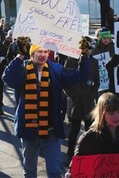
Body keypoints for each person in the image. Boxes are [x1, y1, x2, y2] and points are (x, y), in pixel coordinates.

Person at [2, 36, 92, 178]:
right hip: (28, 130)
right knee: (30, 170)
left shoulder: (55, 69)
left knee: (54, 171)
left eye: (45, 51)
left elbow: (81, 76)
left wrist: (85, 56)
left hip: (51, 130)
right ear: (32, 54)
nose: (43, 55)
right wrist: (20, 55)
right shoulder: (23, 69)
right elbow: (7, 77)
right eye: (39, 51)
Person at [64, 92, 119, 178]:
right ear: (102, 114)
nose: (116, 117)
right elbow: (77, 167)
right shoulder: (89, 138)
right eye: (111, 113)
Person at [64, 36, 100, 161]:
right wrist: (73, 95)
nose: (89, 50)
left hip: (89, 102)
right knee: (74, 131)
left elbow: (97, 81)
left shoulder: (94, 62)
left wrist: (92, 94)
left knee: (91, 130)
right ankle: (70, 155)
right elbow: (65, 81)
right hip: (75, 102)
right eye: (87, 47)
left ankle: (90, 154)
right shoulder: (71, 60)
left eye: (91, 47)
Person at [91, 27, 115, 98]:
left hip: (111, 81)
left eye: (108, 37)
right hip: (100, 83)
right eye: (104, 38)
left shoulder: (114, 48)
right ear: (100, 38)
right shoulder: (94, 50)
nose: (106, 40)